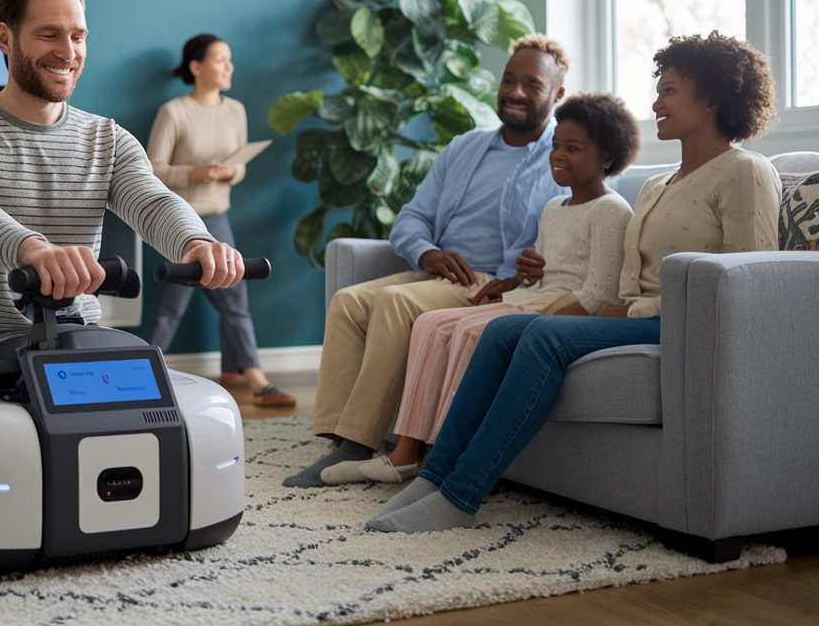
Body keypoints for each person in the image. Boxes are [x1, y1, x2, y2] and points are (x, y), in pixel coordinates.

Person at [369, 31, 782, 533]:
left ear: (714, 97)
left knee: (543, 334)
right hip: (637, 316)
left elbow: (749, 282)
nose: (656, 101)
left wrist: (631, 311)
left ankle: (460, 497)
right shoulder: (656, 185)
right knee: (500, 332)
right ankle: (432, 478)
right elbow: (627, 284)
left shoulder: (745, 172)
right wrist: (609, 305)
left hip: (684, 326)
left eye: (669, 90)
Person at [0, 0, 244, 388]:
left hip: (74, 341)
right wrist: (33, 250)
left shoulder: (109, 139)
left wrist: (196, 242)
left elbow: (153, 200)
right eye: (49, 35)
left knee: (167, 403)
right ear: (5, 39)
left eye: (78, 36)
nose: (68, 52)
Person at [282, 34, 571, 488]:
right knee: (349, 301)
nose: (515, 91)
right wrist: (428, 252)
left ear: (557, 95)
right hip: (437, 272)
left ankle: (358, 444)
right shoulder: (466, 146)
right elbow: (412, 217)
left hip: (490, 282)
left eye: (531, 84)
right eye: (509, 79)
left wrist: (535, 266)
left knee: (394, 302)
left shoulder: (563, 158)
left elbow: (575, 226)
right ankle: (337, 436)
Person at [322, 93, 640, 485]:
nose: (558, 155)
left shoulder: (612, 209)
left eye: (572, 148)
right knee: (431, 325)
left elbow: (599, 293)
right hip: (528, 294)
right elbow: (539, 269)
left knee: (465, 328)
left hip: (553, 307)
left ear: (607, 158)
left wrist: (544, 315)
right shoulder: (552, 206)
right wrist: (518, 279)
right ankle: (400, 453)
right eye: (557, 146)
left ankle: (441, 460)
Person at [145, 34, 295, 407]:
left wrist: (229, 172)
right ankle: (144, 374)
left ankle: (254, 378)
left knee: (233, 296)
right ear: (196, 67)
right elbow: (150, 170)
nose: (229, 67)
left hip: (218, 217)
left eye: (230, 60)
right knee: (173, 305)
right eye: (220, 60)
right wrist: (196, 175)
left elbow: (239, 167)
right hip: (179, 221)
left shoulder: (236, 110)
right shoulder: (173, 112)